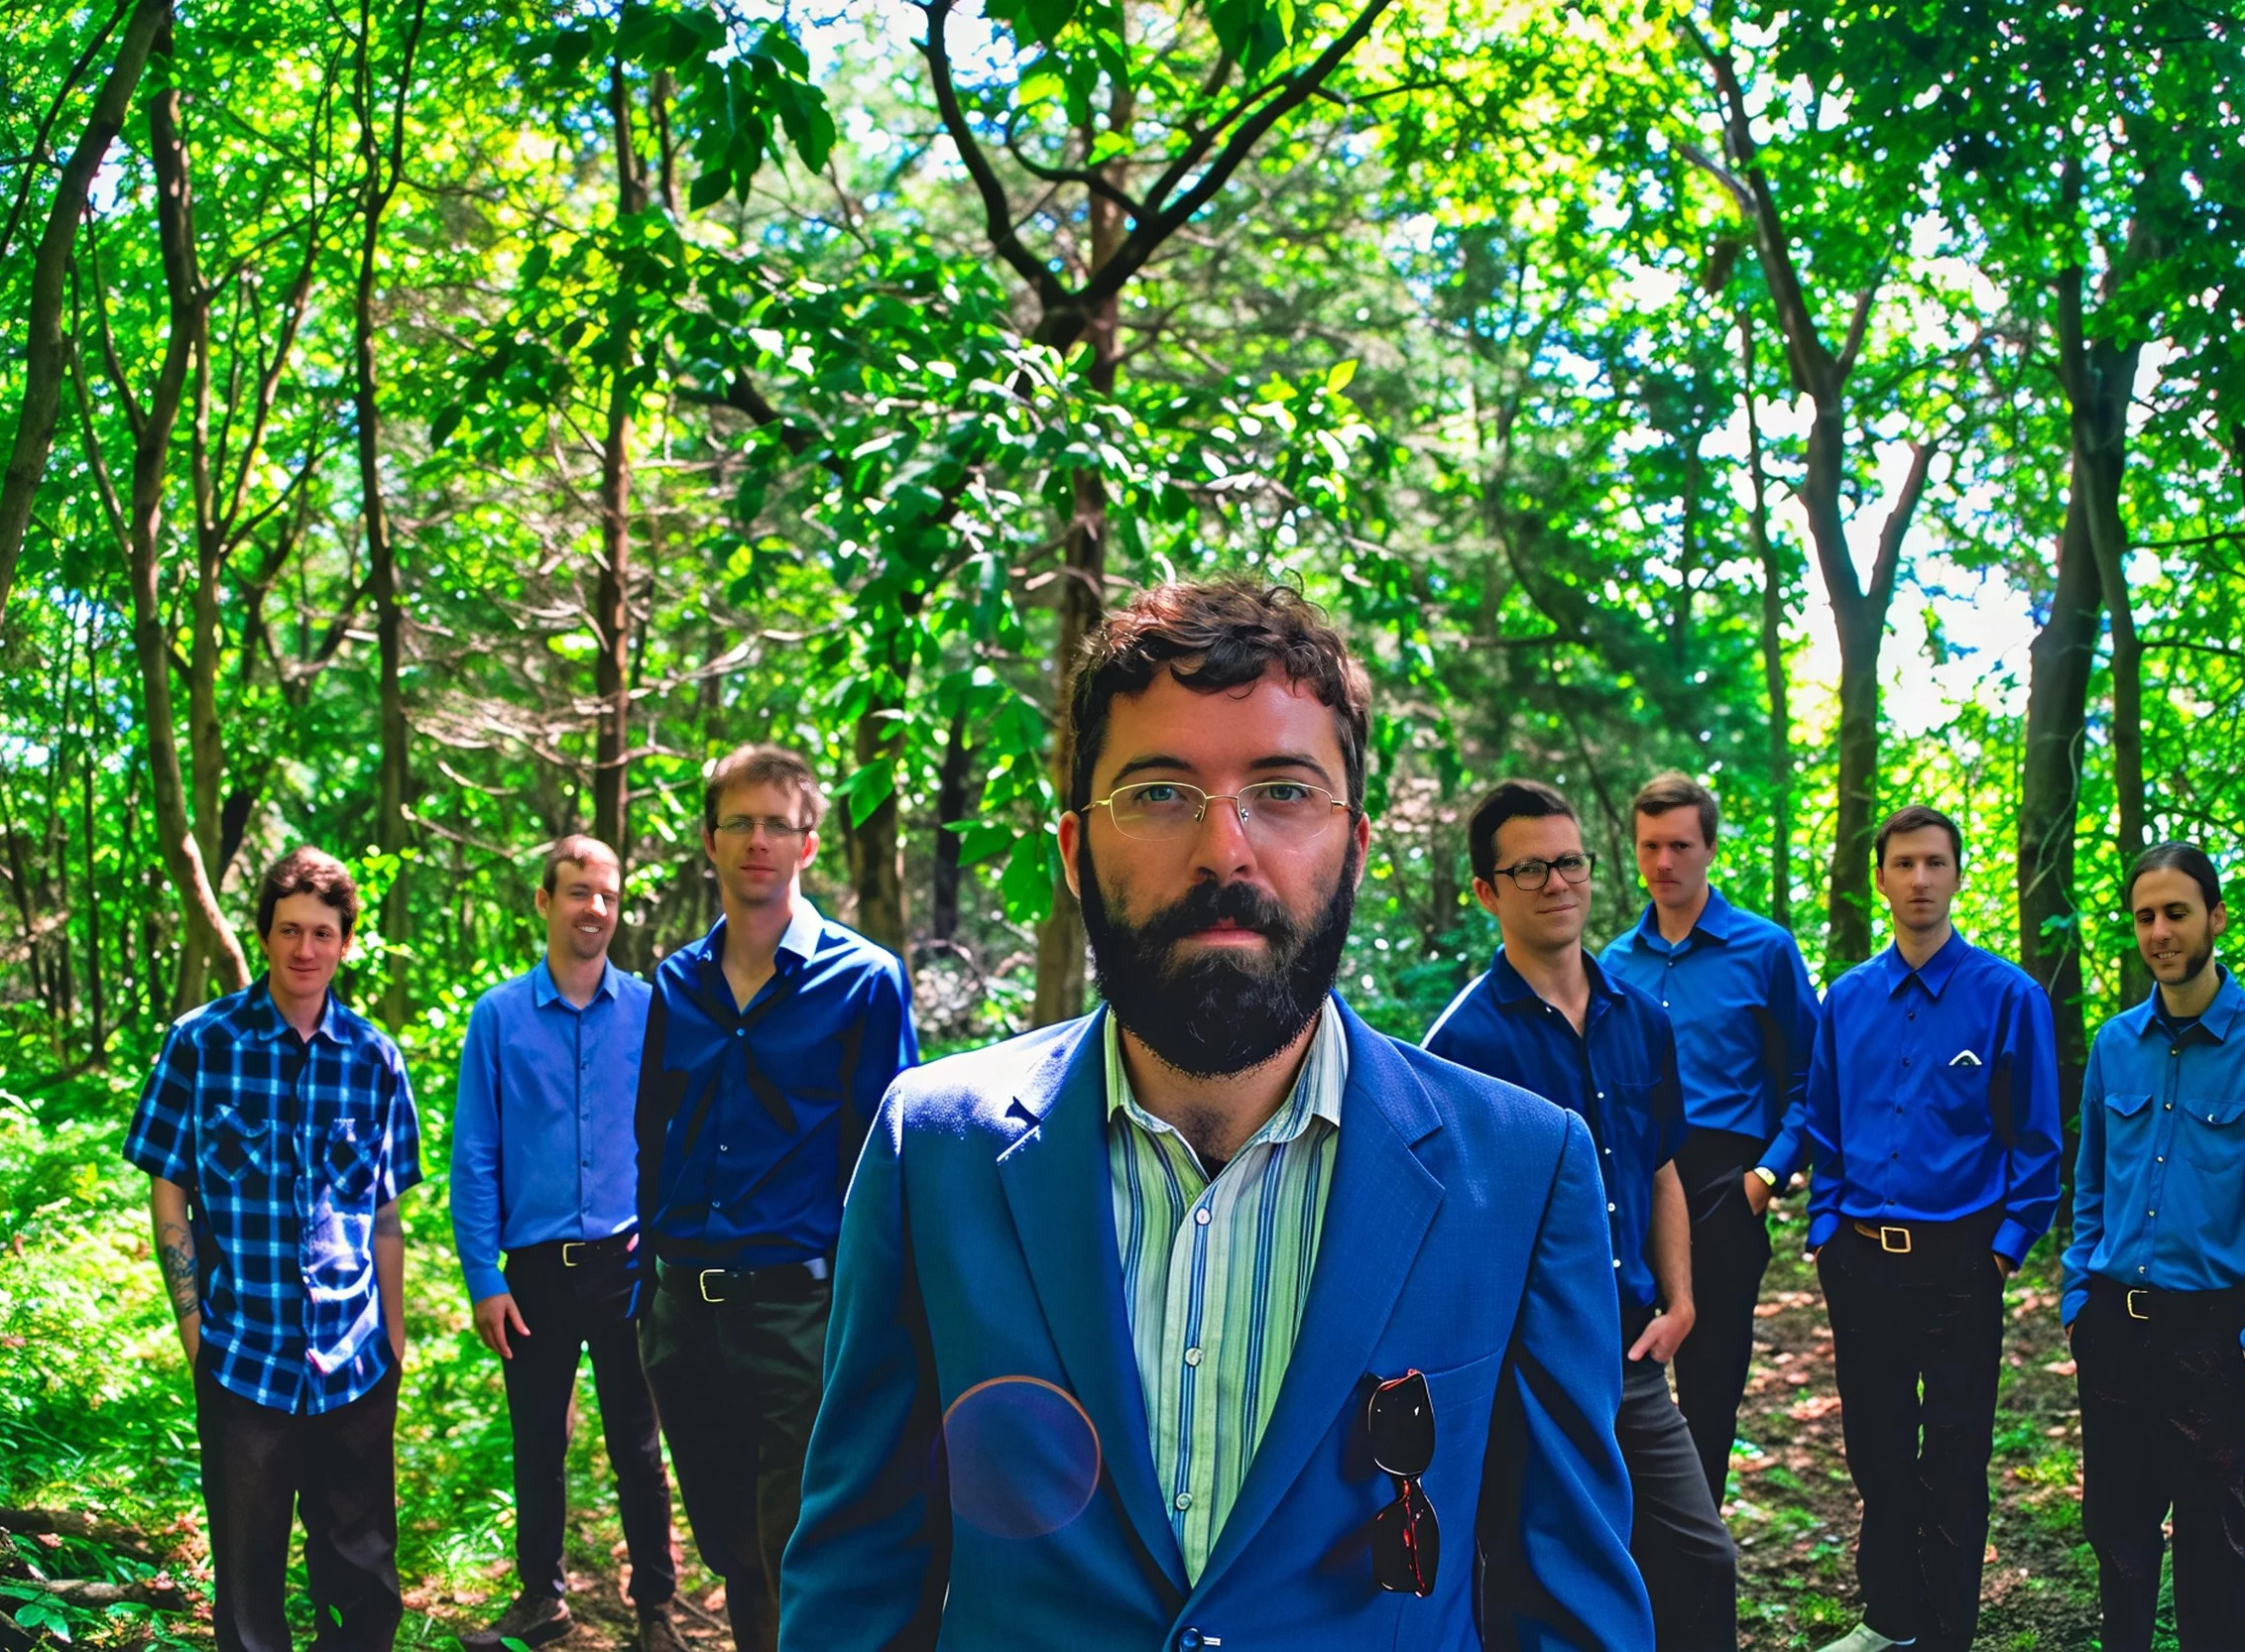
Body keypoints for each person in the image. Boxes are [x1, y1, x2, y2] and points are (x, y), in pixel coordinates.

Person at [779, 581, 1654, 1649]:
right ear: (1072, 850)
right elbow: (855, 1581)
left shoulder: (1519, 1170)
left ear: (1358, 847)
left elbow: (1569, 1607)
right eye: (1157, 793)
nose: (1224, 852)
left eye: (1283, 792)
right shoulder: (935, 1151)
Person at [1425, 778, 1740, 1649]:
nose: (1558, 882)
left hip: (1634, 1355)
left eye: (1570, 861)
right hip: (1529, 1371)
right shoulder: (1461, 1048)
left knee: (1699, 1560)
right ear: (1487, 891)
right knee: (1543, 1578)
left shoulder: (1640, 1019)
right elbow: (1453, 1229)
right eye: (1530, 869)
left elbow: (1664, 1165)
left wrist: (1680, 1300)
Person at [633, 743, 918, 1652]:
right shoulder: (674, 984)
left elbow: (885, 1163)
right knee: (725, 1540)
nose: (757, 840)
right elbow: (651, 1139)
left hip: (799, 1308)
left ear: (806, 841)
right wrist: (647, 1295)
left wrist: (866, 1315)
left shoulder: (864, 982)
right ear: (709, 841)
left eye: (776, 824)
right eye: (738, 823)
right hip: (683, 1314)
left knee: (794, 1539)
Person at [123, 848, 420, 1652]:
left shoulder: (375, 1060)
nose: (305, 950)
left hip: (354, 1363)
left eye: (323, 933)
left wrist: (393, 1336)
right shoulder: (200, 1044)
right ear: (264, 934)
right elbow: (169, 1192)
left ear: (346, 943)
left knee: (362, 1582)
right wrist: (194, 1331)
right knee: (249, 1594)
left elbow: (385, 1213)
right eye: (289, 930)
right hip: (242, 1360)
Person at [2062, 842, 2245, 1652]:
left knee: (2213, 1549)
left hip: (2213, 1339)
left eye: (2176, 912)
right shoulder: (2114, 1046)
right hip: (2114, 1329)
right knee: (2118, 1536)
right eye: (2145, 916)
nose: (2159, 932)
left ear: (2214, 917)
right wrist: (2078, 1303)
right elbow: (2091, 1189)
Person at [1806, 806, 2061, 1652]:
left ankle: (1947, 1631)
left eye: (1934, 863)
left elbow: (2036, 1139)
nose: (1919, 879)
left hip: (1961, 1264)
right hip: (1863, 1263)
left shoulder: (2009, 998)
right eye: (1902, 864)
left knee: (1954, 1457)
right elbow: (1824, 1123)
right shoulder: (1844, 1001)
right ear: (1880, 878)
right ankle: (1890, 1619)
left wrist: (2003, 1250)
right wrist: (1826, 1230)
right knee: (1876, 1451)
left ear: (1957, 875)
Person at [451, 837, 684, 1652]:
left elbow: (676, 1138)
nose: (595, 908)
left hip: (629, 1266)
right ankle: (540, 1599)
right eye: (578, 891)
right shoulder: (499, 1017)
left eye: (608, 895)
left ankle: (657, 1605)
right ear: (545, 902)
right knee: (537, 1444)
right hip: (536, 1274)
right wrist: (483, 1275)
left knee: (638, 1446)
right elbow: (476, 1153)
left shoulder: (654, 1011)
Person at [1599, 770, 1820, 1509]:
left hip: (1728, 1184)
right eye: (1650, 846)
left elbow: (1813, 1080)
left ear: (1711, 848)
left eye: (1681, 846)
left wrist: (1769, 1175)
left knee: (1710, 1386)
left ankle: (1696, 1561)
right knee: (1622, 1375)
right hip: (1632, 1189)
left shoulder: (1765, 951)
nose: (1665, 863)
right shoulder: (1612, 965)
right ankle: (1633, 1561)